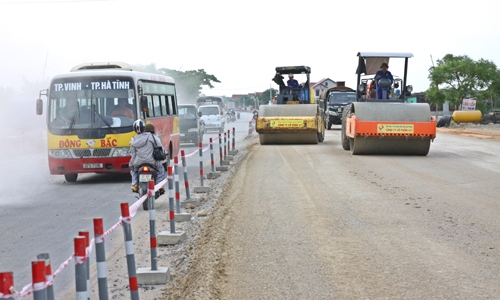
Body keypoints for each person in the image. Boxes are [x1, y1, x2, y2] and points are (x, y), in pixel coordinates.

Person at [129, 120, 165, 192]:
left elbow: (133, 154)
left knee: (133, 170)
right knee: (161, 169)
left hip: (138, 163)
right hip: (152, 162)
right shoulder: (151, 137)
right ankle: (159, 185)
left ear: (135, 130)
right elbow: (159, 146)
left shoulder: (133, 140)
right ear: (144, 128)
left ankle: (135, 184)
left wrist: (131, 164)